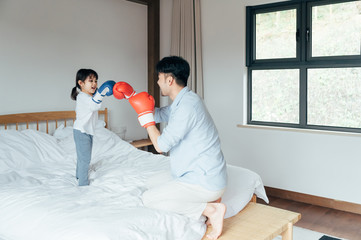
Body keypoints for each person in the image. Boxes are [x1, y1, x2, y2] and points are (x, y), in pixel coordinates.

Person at [113, 56, 227, 240]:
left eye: (159, 78)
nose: (157, 82)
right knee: (150, 184)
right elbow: (157, 113)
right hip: (198, 173)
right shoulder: (185, 100)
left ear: (169, 80)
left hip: (204, 180)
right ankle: (207, 199)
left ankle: (211, 209)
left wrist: (146, 121)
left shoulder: (187, 107)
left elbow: (160, 146)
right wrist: (132, 96)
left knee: (149, 199)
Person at [70, 69, 115, 186]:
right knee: (84, 158)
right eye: (91, 81)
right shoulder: (82, 97)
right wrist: (103, 91)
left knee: (83, 156)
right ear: (81, 83)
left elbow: (96, 101)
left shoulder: (90, 96)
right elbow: (94, 105)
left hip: (87, 131)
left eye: (96, 81)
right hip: (81, 131)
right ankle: (83, 183)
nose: (94, 84)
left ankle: (78, 175)